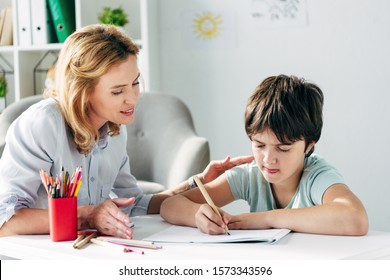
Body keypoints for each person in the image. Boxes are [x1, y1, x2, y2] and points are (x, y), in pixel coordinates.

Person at [0, 24, 253, 238]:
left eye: (135, 83)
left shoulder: (114, 130)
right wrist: (89, 215)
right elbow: (6, 220)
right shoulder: (42, 124)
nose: (132, 99)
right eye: (118, 91)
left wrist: (196, 184)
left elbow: (134, 204)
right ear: (83, 91)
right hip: (41, 257)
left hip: (86, 253)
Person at [160, 74, 369, 236]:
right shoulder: (250, 176)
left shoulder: (317, 176)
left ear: (308, 146)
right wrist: (197, 216)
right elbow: (170, 205)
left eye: (283, 148)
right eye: (259, 145)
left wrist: (266, 219)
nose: (269, 159)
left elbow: (355, 218)